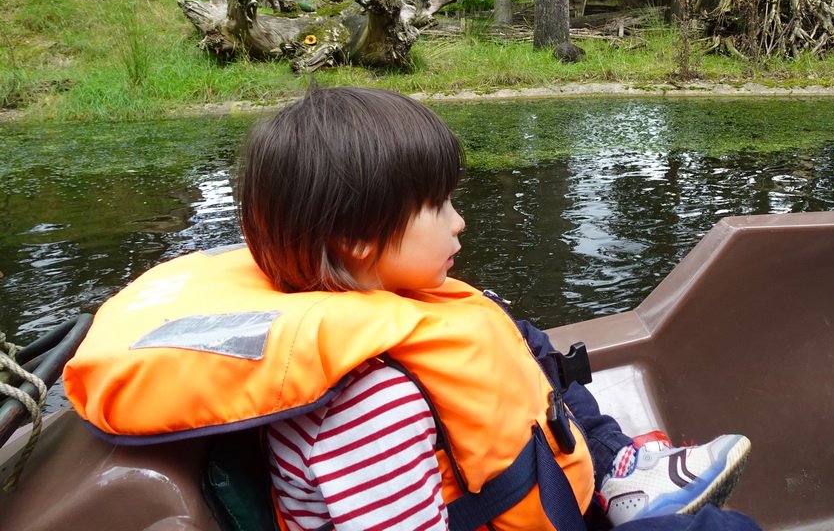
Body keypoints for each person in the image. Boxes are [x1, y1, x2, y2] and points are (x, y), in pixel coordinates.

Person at [64, 86, 760, 531]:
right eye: (439, 206)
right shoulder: (372, 404)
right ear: (359, 238)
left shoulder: (387, 310)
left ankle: (616, 474)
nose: (459, 223)